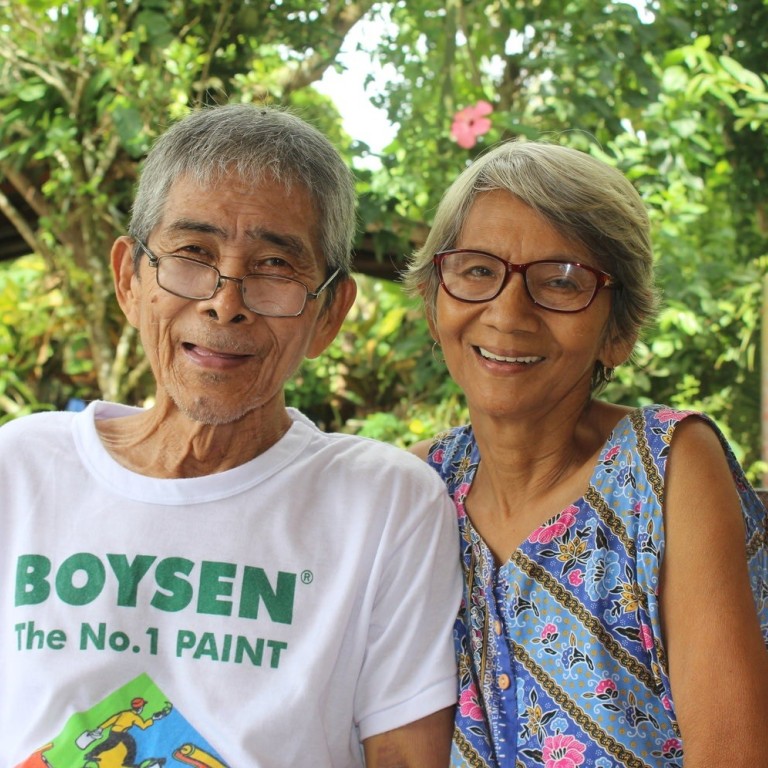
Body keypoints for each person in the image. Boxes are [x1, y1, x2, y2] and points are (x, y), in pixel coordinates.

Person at [1, 103, 462, 768]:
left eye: (275, 265)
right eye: (192, 254)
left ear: (329, 311)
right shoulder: (19, 470)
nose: (226, 301)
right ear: (130, 279)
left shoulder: (384, 505)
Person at [403, 140, 768, 767]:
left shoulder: (666, 470)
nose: (508, 312)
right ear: (437, 303)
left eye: (562, 281)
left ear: (617, 333)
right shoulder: (417, 487)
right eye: (478, 271)